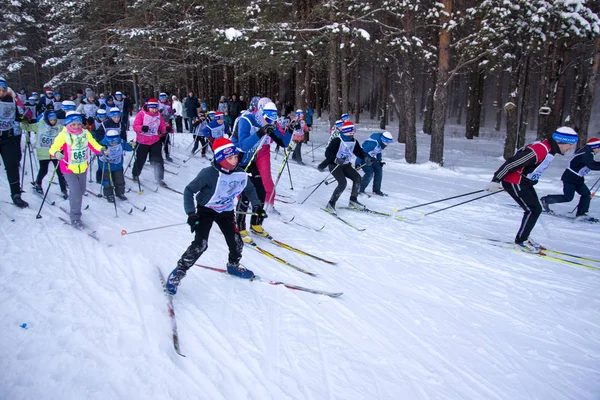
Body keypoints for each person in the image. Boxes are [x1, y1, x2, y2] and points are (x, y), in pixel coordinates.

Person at [165, 137, 265, 295]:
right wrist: (191, 214)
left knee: (237, 242)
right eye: (230, 158)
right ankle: (178, 272)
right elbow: (189, 190)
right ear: (220, 158)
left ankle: (233, 266)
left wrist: (257, 205)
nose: (234, 161)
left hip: (225, 211)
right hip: (206, 210)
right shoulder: (208, 174)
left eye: (235, 157)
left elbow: (250, 188)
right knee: (200, 245)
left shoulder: (240, 173)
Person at [484, 126, 578, 252]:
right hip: (515, 181)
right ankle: (520, 241)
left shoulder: (550, 149)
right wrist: (496, 180)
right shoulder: (539, 150)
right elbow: (512, 163)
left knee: (536, 209)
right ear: (560, 141)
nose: (571, 147)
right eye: (570, 144)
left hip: (523, 183)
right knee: (532, 210)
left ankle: (524, 237)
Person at [232, 97, 289, 237]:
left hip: (250, 160)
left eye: (272, 120)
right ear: (260, 113)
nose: (270, 123)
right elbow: (244, 145)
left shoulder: (269, 123)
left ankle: (256, 225)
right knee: (245, 194)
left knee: (261, 193)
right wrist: (262, 131)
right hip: (235, 159)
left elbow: (284, 143)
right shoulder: (246, 120)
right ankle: (239, 227)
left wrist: (290, 130)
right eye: (268, 119)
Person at [49, 111, 105, 228]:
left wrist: (102, 149)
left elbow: (94, 145)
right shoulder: (63, 135)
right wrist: (56, 153)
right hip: (68, 168)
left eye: (79, 124)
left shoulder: (85, 133)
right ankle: (75, 217)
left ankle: (74, 203)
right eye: (73, 124)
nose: (76, 127)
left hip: (82, 167)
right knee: (76, 193)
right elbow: (53, 148)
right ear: (69, 124)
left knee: (81, 191)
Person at [540, 137, 600, 221]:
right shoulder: (586, 153)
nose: (599, 150)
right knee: (568, 197)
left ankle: (581, 214)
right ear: (595, 147)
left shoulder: (587, 152)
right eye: (598, 148)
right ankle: (546, 200)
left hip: (578, 178)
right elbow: (592, 165)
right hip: (570, 177)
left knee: (586, 194)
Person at [323, 121, 372, 213]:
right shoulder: (337, 140)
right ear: (344, 131)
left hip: (346, 165)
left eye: (353, 133)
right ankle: (331, 204)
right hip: (334, 165)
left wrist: (365, 157)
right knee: (342, 183)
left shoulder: (353, 141)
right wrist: (335, 159)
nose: (351, 135)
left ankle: (353, 201)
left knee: (357, 178)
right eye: (350, 133)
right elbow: (327, 153)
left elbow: (359, 152)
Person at [24, 110, 68, 199]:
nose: (53, 122)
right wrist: (24, 120)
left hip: (56, 153)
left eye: (54, 120)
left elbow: (69, 132)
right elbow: (26, 127)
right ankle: (38, 183)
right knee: (44, 170)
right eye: (51, 120)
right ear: (47, 119)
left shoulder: (59, 127)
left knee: (60, 172)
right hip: (43, 153)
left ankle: (63, 189)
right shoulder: (39, 125)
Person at [0, 77, 29, 207]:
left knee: (12, 166)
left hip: (8, 137)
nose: (2, 93)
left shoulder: (11, 100)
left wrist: (25, 118)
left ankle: (16, 195)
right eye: (0, 90)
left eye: (3, 90)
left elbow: (17, 116)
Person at [131, 98, 167, 186]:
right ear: (148, 106)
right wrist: (142, 128)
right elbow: (135, 126)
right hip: (143, 141)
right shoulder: (141, 114)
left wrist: (166, 129)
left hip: (155, 140)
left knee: (158, 160)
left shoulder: (158, 115)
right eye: (152, 108)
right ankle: (135, 174)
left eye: (156, 108)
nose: (154, 110)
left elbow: (162, 126)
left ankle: (159, 178)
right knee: (140, 159)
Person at [98, 129, 134, 202]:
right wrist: (102, 152)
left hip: (117, 166)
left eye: (115, 142)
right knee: (107, 181)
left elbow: (128, 147)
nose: (114, 143)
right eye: (111, 142)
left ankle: (120, 193)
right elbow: (97, 152)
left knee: (119, 180)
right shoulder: (102, 144)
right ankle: (109, 194)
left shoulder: (121, 142)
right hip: (106, 167)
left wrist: (132, 145)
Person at [357, 131, 393, 196]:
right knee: (369, 173)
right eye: (387, 142)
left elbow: (378, 151)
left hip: (371, 158)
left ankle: (376, 190)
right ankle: (359, 188)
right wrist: (357, 163)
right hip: (364, 157)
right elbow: (362, 152)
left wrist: (379, 161)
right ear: (383, 139)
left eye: (389, 142)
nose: (387, 144)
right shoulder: (373, 143)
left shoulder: (382, 143)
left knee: (379, 170)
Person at [158, 93, 174, 162]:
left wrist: (172, 114)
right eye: (162, 98)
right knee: (158, 143)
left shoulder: (168, 105)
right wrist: (159, 112)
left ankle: (167, 155)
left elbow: (172, 114)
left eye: (164, 98)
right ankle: (157, 156)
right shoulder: (157, 104)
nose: (163, 99)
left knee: (166, 142)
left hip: (166, 122)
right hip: (158, 124)